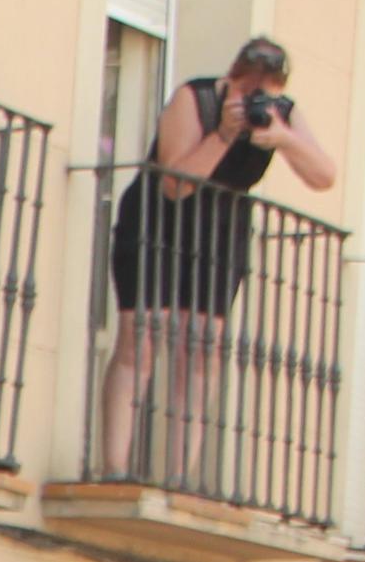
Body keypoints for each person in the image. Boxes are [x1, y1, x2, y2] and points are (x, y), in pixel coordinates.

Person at [95, 35, 338, 486]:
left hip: (220, 231)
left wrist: (284, 137)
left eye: (268, 93)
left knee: (202, 347)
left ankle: (181, 475)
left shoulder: (282, 113)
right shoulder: (196, 98)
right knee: (141, 337)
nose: (257, 102)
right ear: (233, 80)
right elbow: (176, 185)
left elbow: (324, 176)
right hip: (159, 223)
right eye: (249, 92)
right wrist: (225, 134)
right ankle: (115, 465)